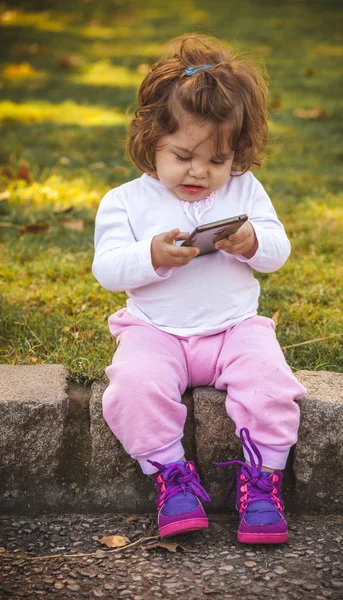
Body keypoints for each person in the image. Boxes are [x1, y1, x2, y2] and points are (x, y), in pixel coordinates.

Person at [92, 33, 306, 545]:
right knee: (133, 387)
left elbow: (278, 251)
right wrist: (152, 256)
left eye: (217, 160)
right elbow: (107, 268)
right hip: (154, 330)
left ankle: (262, 480)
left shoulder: (244, 190)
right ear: (151, 141)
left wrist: (251, 241)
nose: (200, 172)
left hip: (234, 328)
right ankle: (171, 476)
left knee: (272, 385)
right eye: (184, 155)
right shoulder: (125, 201)